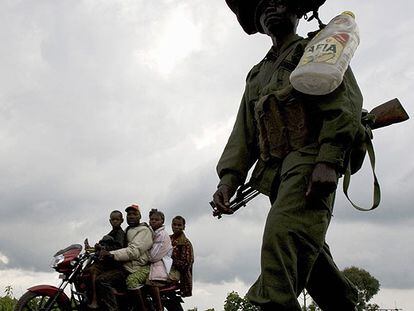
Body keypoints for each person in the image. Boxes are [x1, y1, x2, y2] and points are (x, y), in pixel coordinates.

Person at [212, 0, 362, 310]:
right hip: (275, 173)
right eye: (262, 5)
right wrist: (229, 179)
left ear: (297, 11)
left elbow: (345, 104)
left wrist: (328, 160)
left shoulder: (317, 50)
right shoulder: (258, 74)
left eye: (279, 2)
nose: (270, 9)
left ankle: (272, 304)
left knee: (281, 238)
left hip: (310, 161)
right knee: (312, 259)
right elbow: (245, 131)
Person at [97, 204, 153, 311]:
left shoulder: (144, 231)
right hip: (124, 264)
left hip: (133, 268)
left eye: (134, 214)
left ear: (139, 216)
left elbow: (133, 251)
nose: (131, 216)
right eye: (129, 214)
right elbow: (117, 245)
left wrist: (111, 254)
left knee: (101, 280)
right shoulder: (128, 230)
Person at [84, 210, 125, 309]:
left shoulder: (120, 233)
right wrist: (96, 247)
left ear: (121, 220)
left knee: (101, 280)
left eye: (117, 219)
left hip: (116, 267)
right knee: (90, 270)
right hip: (108, 265)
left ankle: (112, 307)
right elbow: (105, 246)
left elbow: (119, 248)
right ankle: (93, 299)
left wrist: (104, 249)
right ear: (110, 221)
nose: (115, 221)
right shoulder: (111, 233)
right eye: (113, 219)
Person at [146, 209, 173, 311]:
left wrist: (143, 257)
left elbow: (154, 256)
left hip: (160, 263)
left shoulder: (162, 235)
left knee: (151, 282)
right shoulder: (153, 232)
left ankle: (159, 307)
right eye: (151, 219)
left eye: (156, 219)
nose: (153, 221)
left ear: (162, 221)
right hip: (155, 262)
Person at [169, 216, 194, 298]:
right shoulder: (168, 239)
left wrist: (169, 260)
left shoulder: (186, 243)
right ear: (171, 225)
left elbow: (186, 265)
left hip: (179, 275)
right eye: (174, 224)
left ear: (184, 227)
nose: (176, 227)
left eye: (179, 225)